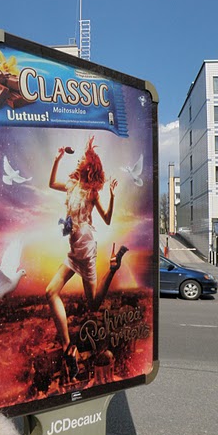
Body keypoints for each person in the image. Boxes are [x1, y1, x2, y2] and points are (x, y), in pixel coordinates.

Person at [45, 137, 128, 379]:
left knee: (86, 302)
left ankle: (112, 269)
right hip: (75, 248)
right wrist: (57, 159)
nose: (79, 159)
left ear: (88, 165)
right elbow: (51, 183)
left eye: (83, 158)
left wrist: (112, 195)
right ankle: (68, 349)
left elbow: (107, 219)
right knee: (53, 292)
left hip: (86, 246)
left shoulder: (92, 193)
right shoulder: (72, 185)